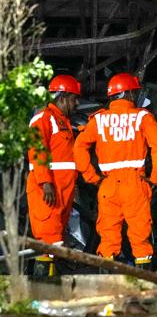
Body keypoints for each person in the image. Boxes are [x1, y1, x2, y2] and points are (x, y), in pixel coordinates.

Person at [73, 73, 157, 270]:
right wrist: (155, 178)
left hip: (108, 186)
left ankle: (107, 292)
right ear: (129, 94)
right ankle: (144, 292)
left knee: (108, 239)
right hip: (135, 184)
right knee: (140, 241)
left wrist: (92, 177)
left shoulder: (98, 120)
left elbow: (79, 147)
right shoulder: (142, 117)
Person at [27, 75, 102, 277]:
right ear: (62, 97)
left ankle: (49, 289)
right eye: (73, 99)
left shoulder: (62, 122)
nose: (76, 103)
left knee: (54, 242)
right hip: (48, 190)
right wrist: (45, 183)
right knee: (47, 241)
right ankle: (43, 292)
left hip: (61, 191)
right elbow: (36, 149)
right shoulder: (44, 117)